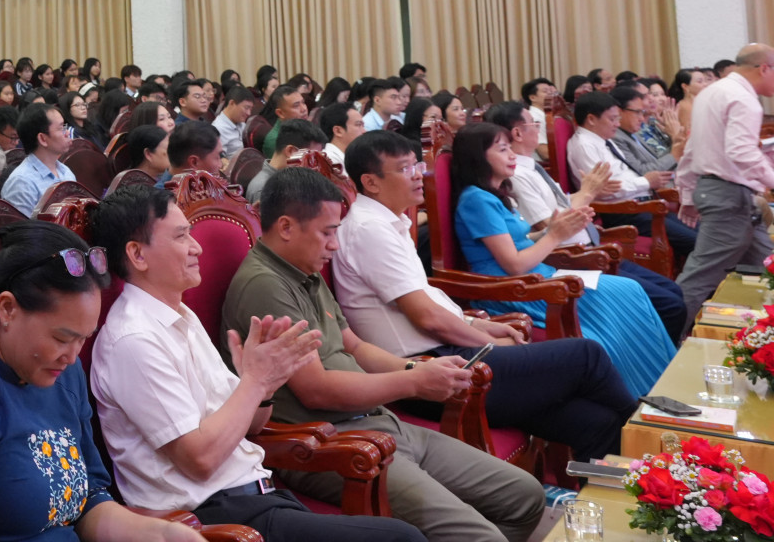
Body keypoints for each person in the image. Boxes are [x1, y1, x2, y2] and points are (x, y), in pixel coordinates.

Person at [223, 168, 546, 542]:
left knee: (525, 497)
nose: (335, 246)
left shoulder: (303, 269)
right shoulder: (265, 284)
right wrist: (413, 383)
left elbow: (354, 346)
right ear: (286, 227)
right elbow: (316, 390)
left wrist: (417, 368)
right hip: (330, 443)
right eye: (327, 233)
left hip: (377, 420)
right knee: (481, 537)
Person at [90, 184, 425, 542]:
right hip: (210, 518)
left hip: (256, 496)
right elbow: (200, 461)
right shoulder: (134, 340)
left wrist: (264, 386)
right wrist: (254, 381)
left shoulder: (180, 314)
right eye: (181, 236)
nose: (196, 247)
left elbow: (251, 425)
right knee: (402, 538)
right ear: (137, 254)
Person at [334, 131, 636, 458]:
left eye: (417, 165)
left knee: (595, 423)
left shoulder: (388, 221)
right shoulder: (369, 228)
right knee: (586, 355)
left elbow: (426, 298)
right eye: (405, 169)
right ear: (371, 182)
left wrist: (475, 324)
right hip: (427, 370)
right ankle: (650, 438)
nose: (419, 175)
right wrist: (487, 343)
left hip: (444, 353)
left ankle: (634, 475)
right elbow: (427, 316)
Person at [0, 220, 202, 542]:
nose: (73, 357)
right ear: (8, 309)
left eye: (83, 339)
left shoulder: (63, 375)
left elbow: (90, 503)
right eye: (62, 338)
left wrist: (163, 534)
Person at [449, 123, 675, 398]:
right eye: (503, 149)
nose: (512, 155)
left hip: (538, 276)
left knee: (630, 291)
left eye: (510, 147)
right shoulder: (476, 200)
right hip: (517, 289)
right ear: (478, 157)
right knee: (621, 303)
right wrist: (556, 235)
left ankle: (662, 380)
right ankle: (642, 391)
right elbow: (513, 264)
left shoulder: (494, 194)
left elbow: (519, 240)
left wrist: (553, 229)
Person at [675, 43, 774, 313]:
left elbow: (693, 149)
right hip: (729, 196)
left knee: (767, 266)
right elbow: (741, 151)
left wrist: (688, 194)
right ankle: (663, 334)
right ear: (764, 68)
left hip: (722, 193)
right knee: (699, 277)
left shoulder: (711, 92)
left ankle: (758, 330)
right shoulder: (743, 99)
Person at [567, 91, 695, 261]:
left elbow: (620, 179)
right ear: (591, 119)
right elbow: (606, 190)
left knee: (702, 232)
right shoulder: (584, 145)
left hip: (642, 205)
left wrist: (648, 182)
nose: (617, 124)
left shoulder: (604, 140)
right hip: (623, 211)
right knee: (694, 241)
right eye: (612, 119)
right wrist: (646, 182)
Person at [1, 104, 76, 215]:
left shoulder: (65, 171)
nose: (68, 133)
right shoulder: (22, 183)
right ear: (42, 139)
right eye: (61, 128)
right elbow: (23, 226)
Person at [245, 120, 324, 207]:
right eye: (313, 157)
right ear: (291, 151)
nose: (316, 165)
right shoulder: (264, 189)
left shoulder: (294, 178)